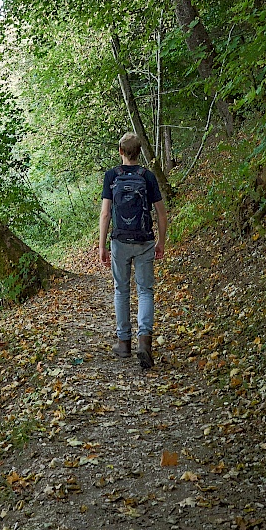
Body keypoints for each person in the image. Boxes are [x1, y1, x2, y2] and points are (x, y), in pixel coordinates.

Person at [99, 132, 167, 369]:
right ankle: (145, 343)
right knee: (145, 290)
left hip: (120, 241)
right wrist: (161, 242)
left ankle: (123, 343)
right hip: (144, 240)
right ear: (139, 152)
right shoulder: (147, 176)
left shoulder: (111, 176)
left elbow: (106, 213)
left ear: (120, 152)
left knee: (121, 290)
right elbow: (160, 213)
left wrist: (101, 246)